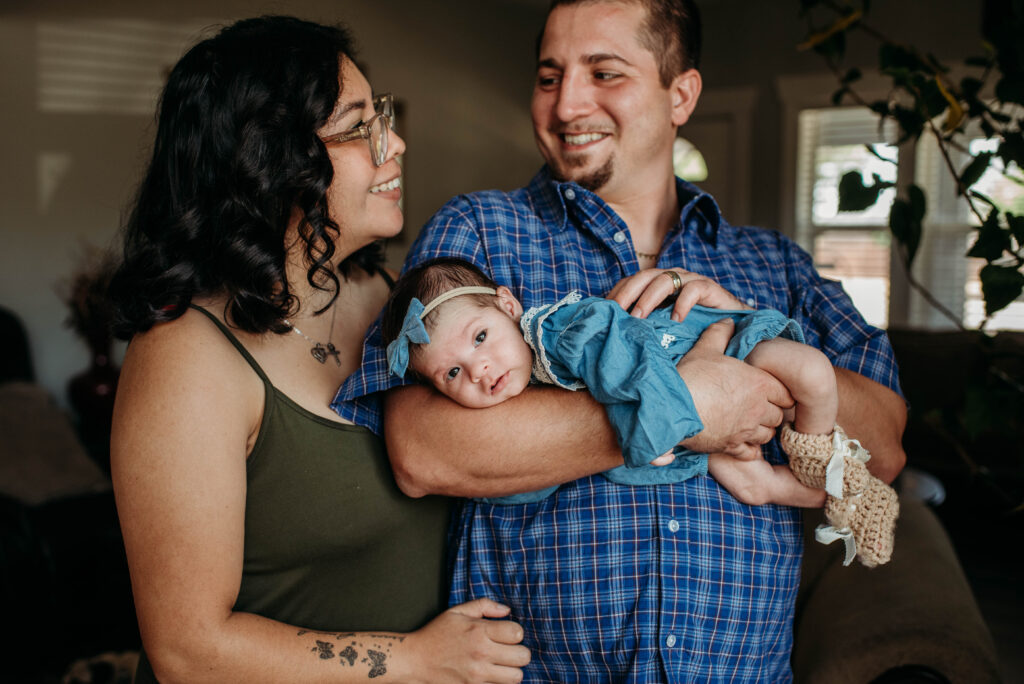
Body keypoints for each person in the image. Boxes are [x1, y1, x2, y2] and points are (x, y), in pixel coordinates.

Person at [333, 0, 907, 680]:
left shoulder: (775, 264)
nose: (566, 104)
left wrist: (750, 329)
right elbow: (422, 450)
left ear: (680, 95)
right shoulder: (478, 235)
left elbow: (885, 446)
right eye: (549, 77)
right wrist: (688, 408)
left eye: (604, 73)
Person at [107, 16, 529, 683]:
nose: (396, 143)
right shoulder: (183, 357)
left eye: (380, 116)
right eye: (359, 128)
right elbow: (186, 651)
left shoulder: (401, 301)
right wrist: (417, 659)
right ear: (269, 161)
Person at [379, 257, 898, 567]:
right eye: (452, 373)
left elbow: (620, 350)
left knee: (811, 371)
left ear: (509, 306)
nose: (480, 370)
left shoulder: (559, 330)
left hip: (724, 347)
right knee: (749, 480)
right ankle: (830, 495)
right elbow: (509, 480)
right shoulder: (521, 379)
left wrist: (666, 419)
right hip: (699, 434)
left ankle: (821, 456)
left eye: (480, 338)